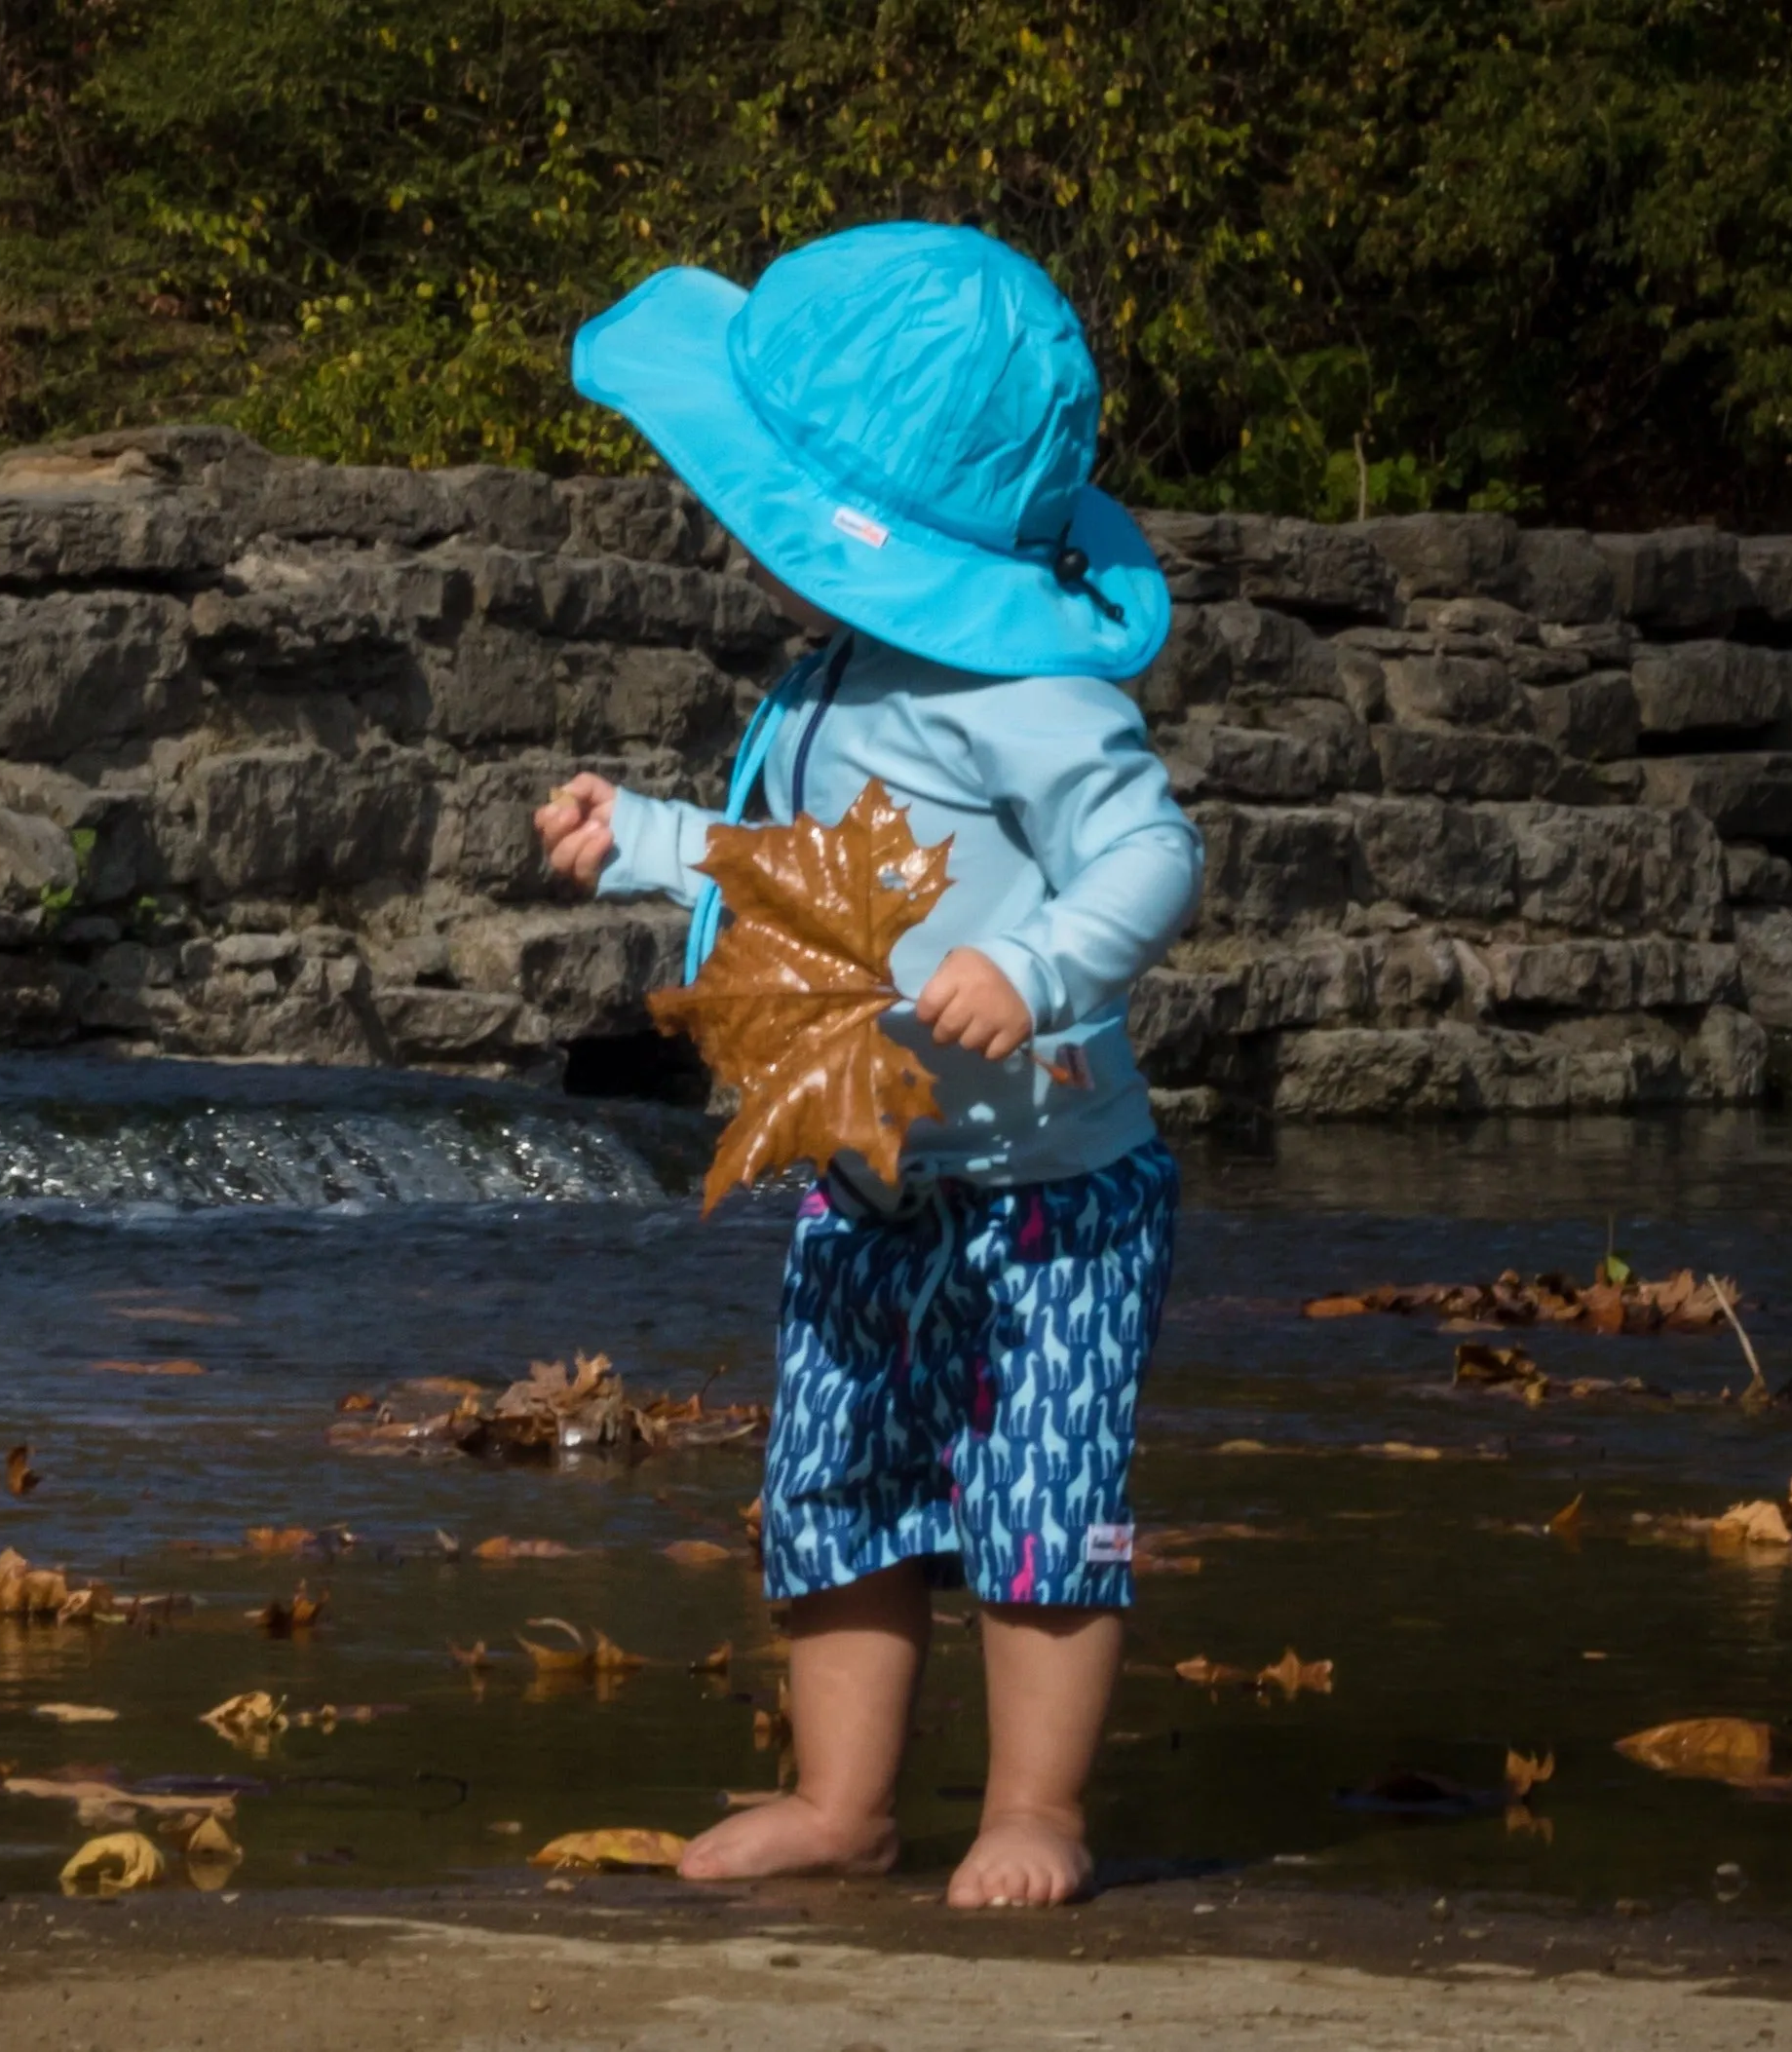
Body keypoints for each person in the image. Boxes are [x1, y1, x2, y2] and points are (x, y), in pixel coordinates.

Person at [534, 222, 1202, 1908]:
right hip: (865, 1174)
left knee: (1038, 1501)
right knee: (832, 1486)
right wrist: (646, 836)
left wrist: (1033, 964)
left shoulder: (1038, 692)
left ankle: (1032, 1806)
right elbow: (795, 866)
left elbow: (1152, 861)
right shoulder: (835, 671)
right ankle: (846, 1799)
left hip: (1048, 1193)